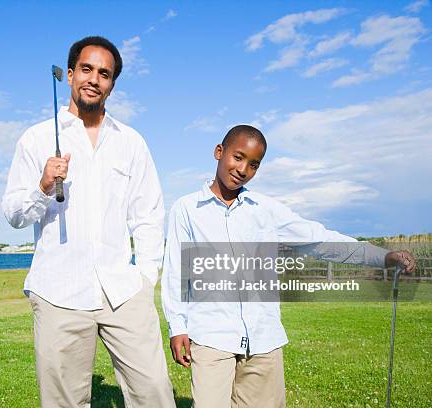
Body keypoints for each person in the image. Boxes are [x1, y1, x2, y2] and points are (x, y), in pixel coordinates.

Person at [160, 124, 416, 408]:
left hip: (263, 339)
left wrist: (382, 256)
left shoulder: (266, 210)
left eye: (253, 164)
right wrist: (177, 327)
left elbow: (320, 240)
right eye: (238, 157)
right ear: (219, 152)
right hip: (211, 336)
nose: (243, 169)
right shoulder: (186, 208)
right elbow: (175, 273)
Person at [2, 36, 175, 407]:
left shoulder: (131, 142)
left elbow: (148, 216)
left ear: (112, 84)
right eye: (86, 69)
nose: (94, 79)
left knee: (154, 394)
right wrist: (44, 186)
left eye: (105, 73)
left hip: (123, 291)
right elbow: (14, 213)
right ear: (68, 75)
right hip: (58, 293)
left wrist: (145, 279)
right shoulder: (35, 139)